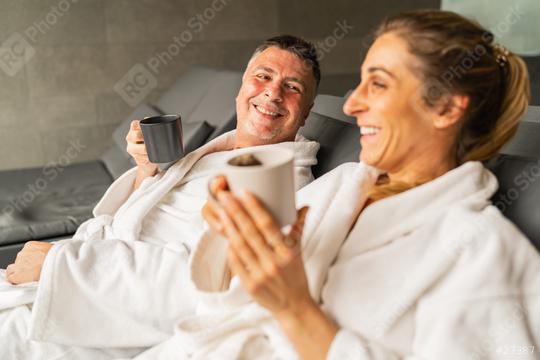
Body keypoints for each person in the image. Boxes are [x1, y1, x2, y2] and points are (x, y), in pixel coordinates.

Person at [186, 10, 540, 359]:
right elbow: (235, 303)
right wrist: (232, 240)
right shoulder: (344, 185)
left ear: (445, 110)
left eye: (379, 84)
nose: (352, 104)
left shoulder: (482, 253)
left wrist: (296, 310)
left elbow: (286, 308)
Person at [0, 35, 321, 357]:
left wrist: (60, 266)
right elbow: (146, 214)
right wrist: (145, 170)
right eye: (263, 76)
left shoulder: (278, 181)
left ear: (305, 113)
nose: (273, 92)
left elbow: (213, 279)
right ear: (242, 88)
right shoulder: (219, 151)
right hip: (85, 273)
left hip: (105, 312)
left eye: (293, 87)